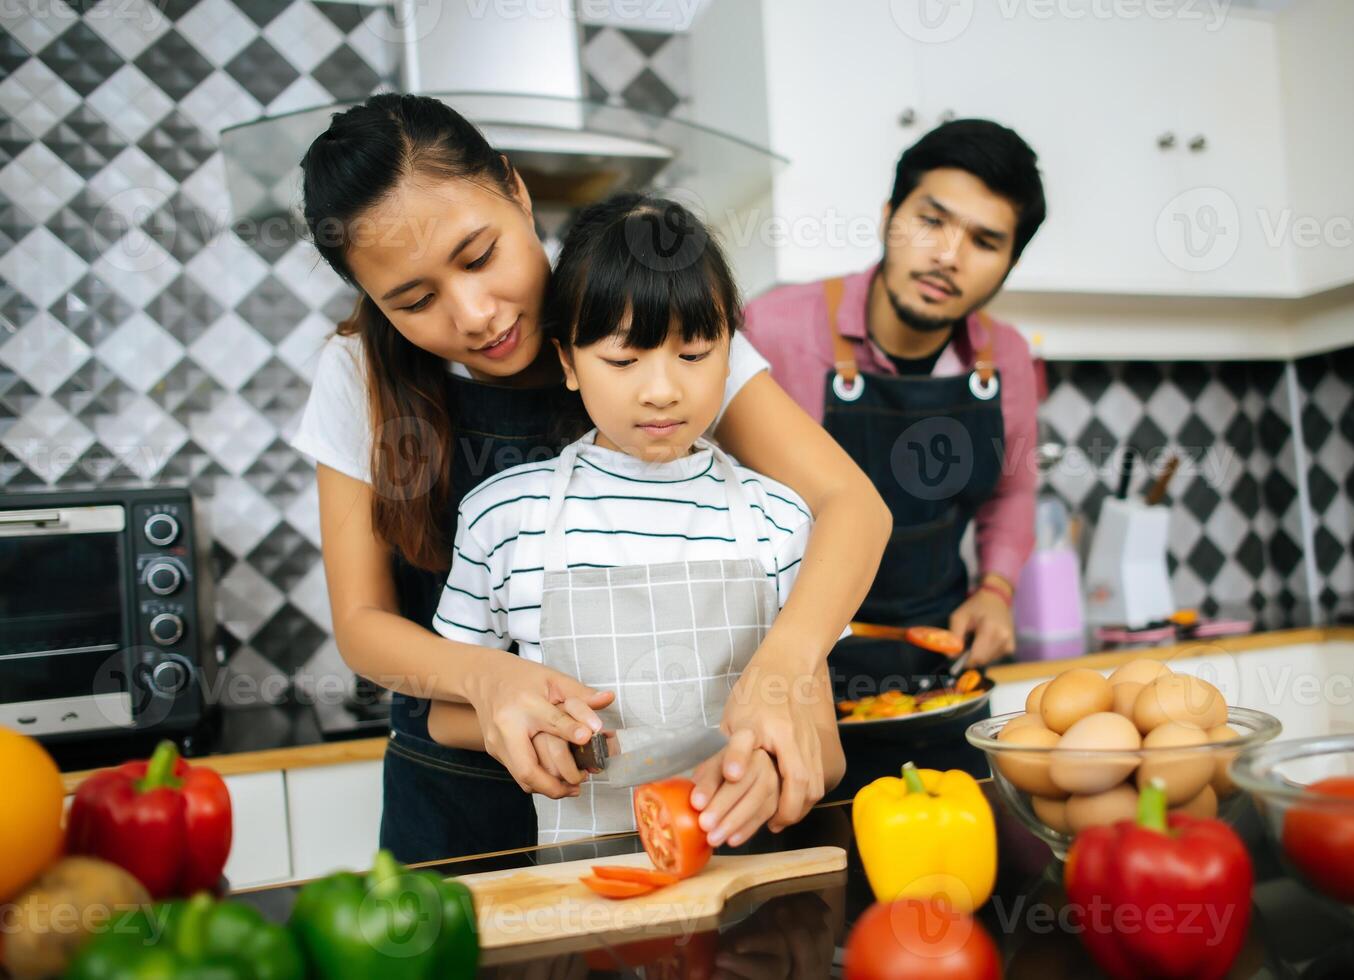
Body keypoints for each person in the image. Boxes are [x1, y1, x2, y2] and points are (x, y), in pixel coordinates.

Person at [289, 94, 889, 862]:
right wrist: (487, 679)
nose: (473, 314)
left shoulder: (659, 328)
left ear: (514, 188)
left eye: (479, 256)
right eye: (415, 299)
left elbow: (851, 506)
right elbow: (363, 622)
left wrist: (781, 670)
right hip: (455, 800)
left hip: (681, 797)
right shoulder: (356, 373)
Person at [424, 194, 845, 846]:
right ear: (566, 363)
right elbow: (446, 715)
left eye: (695, 353)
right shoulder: (503, 517)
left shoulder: (778, 518)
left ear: (731, 353)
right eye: (623, 361)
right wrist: (527, 728)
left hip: (749, 879)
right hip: (580, 891)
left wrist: (772, 767)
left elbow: (825, 740)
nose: (661, 389)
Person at [741, 119, 1045, 795]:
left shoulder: (1011, 358)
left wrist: (995, 591)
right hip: (792, 682)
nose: (948, 256)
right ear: (888, 217)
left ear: (1009, 263)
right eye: (931, 221)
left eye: (985, 241)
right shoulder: (771, 329)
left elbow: (1010, 492)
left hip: (940, 684)